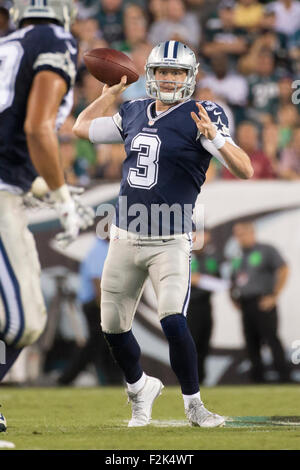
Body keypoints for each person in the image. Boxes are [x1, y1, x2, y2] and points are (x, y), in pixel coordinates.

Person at [73, 40, 253, 428]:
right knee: (112, 327)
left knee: (172, 318)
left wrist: (217, 139)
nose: (169, 79)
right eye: (162, 72)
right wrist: (107, 97)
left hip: (170, 238)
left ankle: (194, 405)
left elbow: (245, 170)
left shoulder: (203, 115)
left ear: (190, 76)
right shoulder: (134, 110)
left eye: (177, 72)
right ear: (150, 75)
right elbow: (79, 127)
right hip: (123, 234)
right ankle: (140, 389)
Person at [0, 0, 94, 431]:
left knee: (26, 316)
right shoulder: (54, 40)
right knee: (22, 320)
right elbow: (37, 128)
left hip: (9, 186)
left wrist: (37, 184)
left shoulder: (9, 43)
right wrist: (59, 196)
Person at [57, 237, 123, 386]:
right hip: (96, 305)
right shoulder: (100, 250)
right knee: (96, 344)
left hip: (100, 304)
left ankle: (113, 381)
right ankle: (66, 378)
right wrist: (106, 307)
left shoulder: (105, 249)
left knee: (106, 344)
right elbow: (97, 281)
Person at [231, 221, 291, 383]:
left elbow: (284, 269)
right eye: (237, 235)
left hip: (263, 301)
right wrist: (234, 299)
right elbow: (233, 279)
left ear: (252, 233)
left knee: (271, 339)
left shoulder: (266, 250)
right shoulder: (237, 255)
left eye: (242, 234)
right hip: (245, 303)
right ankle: (257, 379)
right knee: (251, 342)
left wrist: (274, 295)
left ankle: (285, 377)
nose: (239, 238)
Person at [187, 230, 230, 384]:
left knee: (204, 343)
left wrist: (203, 280)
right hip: (188, 305)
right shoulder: (183, 255)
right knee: (190, 343)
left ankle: (202, 379)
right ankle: (189, 379)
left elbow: (222, 280)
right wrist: (190, 279)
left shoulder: (212, 258)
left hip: (205, 304)